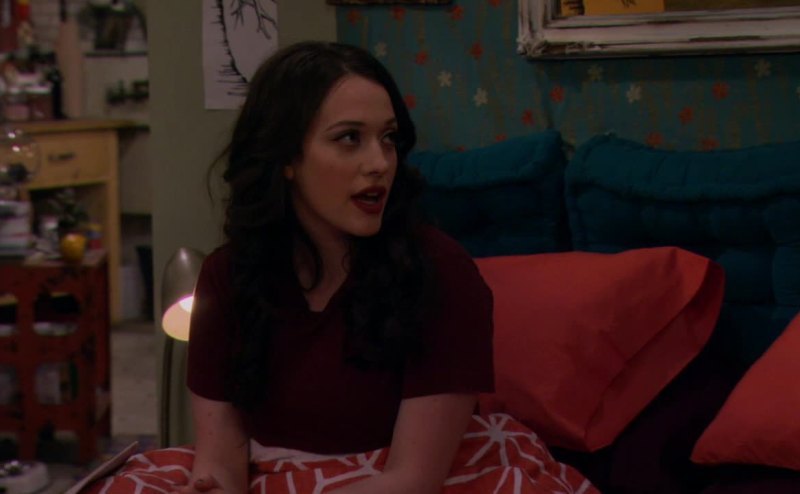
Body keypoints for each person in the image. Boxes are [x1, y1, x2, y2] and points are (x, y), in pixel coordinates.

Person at [178, 41, 494, 494]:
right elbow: (221, 464)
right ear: (286, 158)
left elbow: (413, 480)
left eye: (388, 139)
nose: (379, 163)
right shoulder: (227, 275)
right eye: (349, 139)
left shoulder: (440, 272)